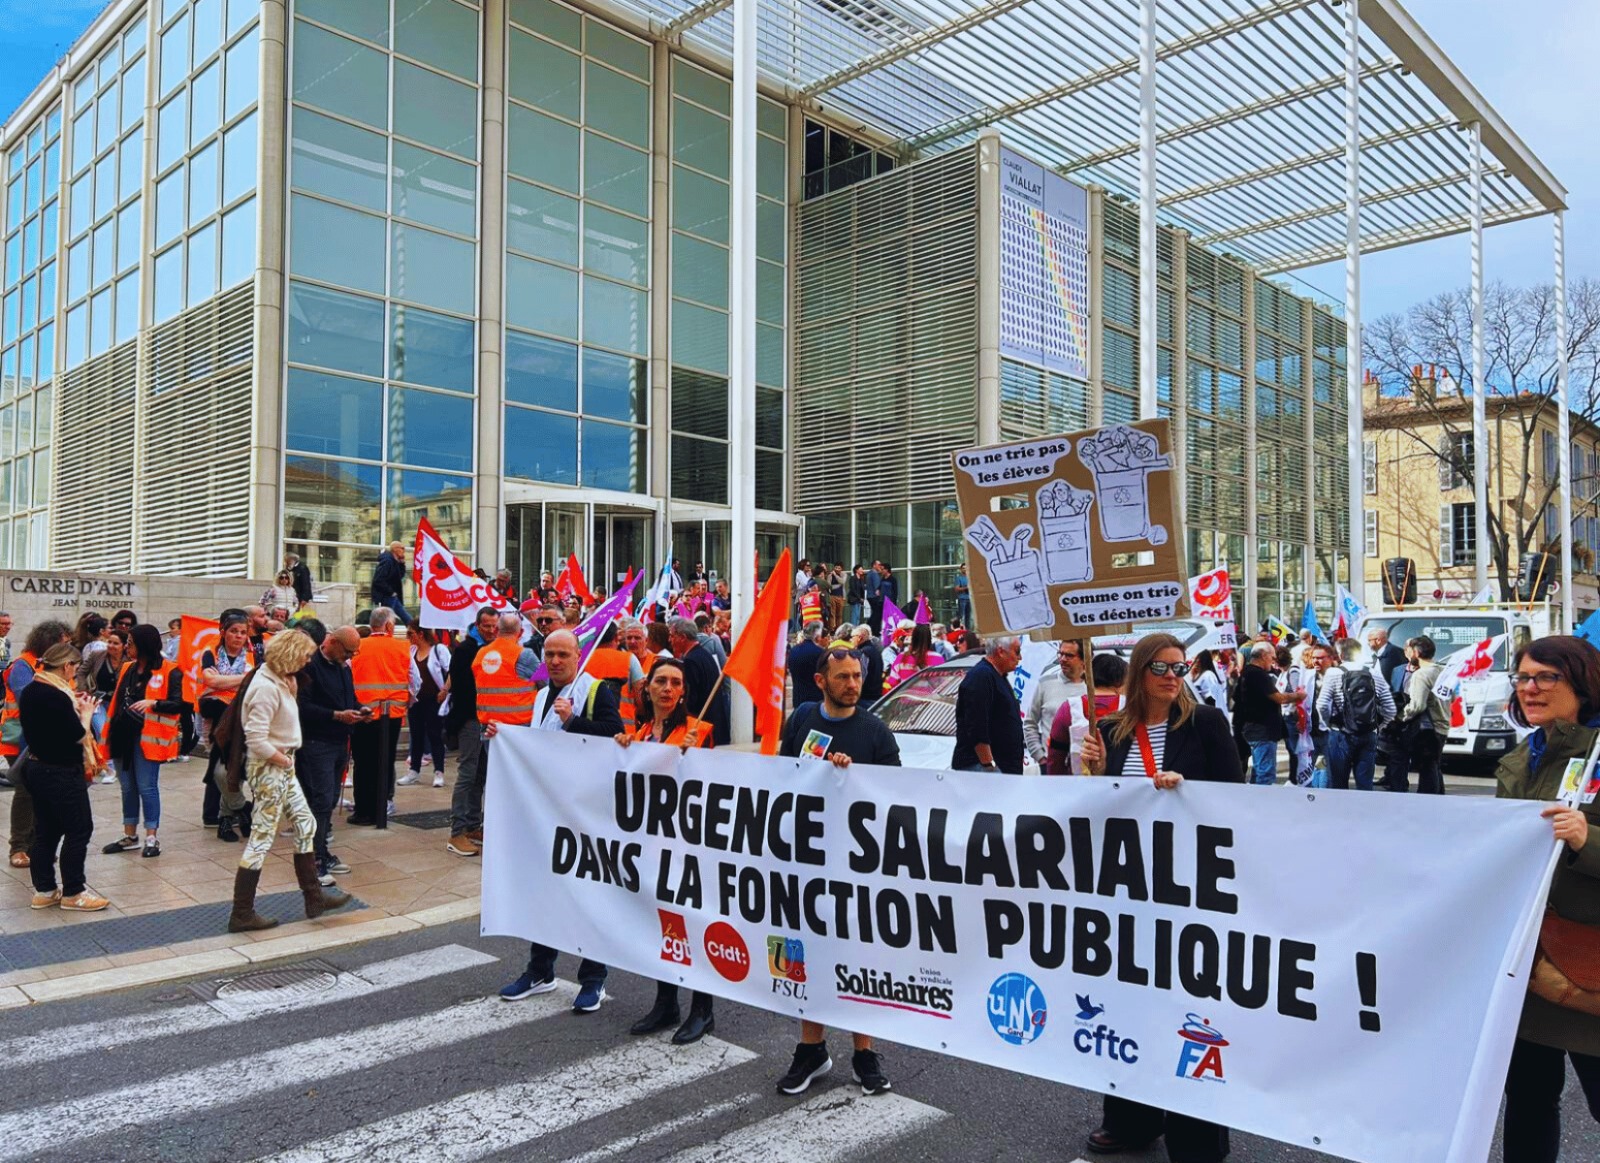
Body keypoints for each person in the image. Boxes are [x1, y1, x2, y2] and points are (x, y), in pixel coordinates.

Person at [1079, 632, 1240, 1163]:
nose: (1173, 677)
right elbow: (1095, 811)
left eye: (1180, 668)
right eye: (1162, 668)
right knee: (1128, 1008)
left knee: (1189, 1015)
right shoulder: (1111, 730)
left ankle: (1197, 1141)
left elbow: (1239, 800)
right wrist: (1093, 774)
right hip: (1126, 893)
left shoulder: (1206, 723)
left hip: (1189, 892)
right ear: (1139, 674)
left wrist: (1187, 789)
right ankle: (1129, 1120)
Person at [1492, 634, 1600, 1161]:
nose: (1530, 688)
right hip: (1528, 963)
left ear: (1581, 684)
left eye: (1545, 677)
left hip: (1589, 965)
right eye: (1523, 677)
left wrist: (1586, 838)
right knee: (1530, 1099)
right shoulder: (1520, 758)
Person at [775, 645, 899, 1096]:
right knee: (808, 957)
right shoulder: (803, 719)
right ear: (822, 681)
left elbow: (895, 796)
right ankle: (812, 1050)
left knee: (857, 960)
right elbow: (783, 775)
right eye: (843, 677)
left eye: (856, 676)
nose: (853, 685)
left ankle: (864, 1053)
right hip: (806, 862)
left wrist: (853, 778)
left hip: (857, 870)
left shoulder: (875, 732)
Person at [496, 629, 623, 1012]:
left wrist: (574, 722)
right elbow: (540, 742)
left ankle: (594, 979)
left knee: (587, 894)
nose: (553, 661)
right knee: (545, 893)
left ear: (577, 655)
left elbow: (614, 734)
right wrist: (503, 736)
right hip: (549, 810)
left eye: (561, 654)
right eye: (549, 654)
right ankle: (541, 971)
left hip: (587, 812)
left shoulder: (596, 690)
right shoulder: (540, 697)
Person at [616, 656, 717, 1043]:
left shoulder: (699, 730)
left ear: (683, 691)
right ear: (648, 687)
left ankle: (703, 1009)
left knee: (691, 924)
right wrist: (623, 748)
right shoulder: (641, 732)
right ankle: (666, 1002)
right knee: (662, 925)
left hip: (689, 848)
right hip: (653, 847)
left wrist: (696, 755)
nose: (669, 689)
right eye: (661, 681)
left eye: (676, 682)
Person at [229, 629, 352, 932]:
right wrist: (282, 759)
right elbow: (255, 739)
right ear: (291, 655)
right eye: (305, 655)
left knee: (306, 823)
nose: (309, 660)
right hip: (271, 767)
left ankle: (314, 897)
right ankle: (242, 913)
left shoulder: (282, 679)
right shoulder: (266, 687)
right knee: (261, 838)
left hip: (282, 765)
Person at [19, 643, 108, 912]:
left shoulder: (33, 689)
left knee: (46, 831)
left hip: (37, 768)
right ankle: (74, 892)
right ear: (66, 666)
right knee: (79, 829)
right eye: (74, 666)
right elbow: (76, 735)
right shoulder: (56, 696)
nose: (75, 673)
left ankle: (44, 891)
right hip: (61, 771)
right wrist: (87, 714)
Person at [100, 624, 188, 858]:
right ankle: (130, 835)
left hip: (149, 738)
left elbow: (180, 704)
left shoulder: (170, 670)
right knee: (127, 787)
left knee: (147, 787)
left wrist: (154, 704)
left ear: (144, 645)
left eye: (130, 643)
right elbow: (118, 701)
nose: (127, 647)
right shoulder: (127, 669)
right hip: (122, 734)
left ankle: (152, 836)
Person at [296, 624, 361, 885]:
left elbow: (349, 698)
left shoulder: (343, 668)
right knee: (321, 799)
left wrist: (359, 710)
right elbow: (303, 706)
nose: (350, 657)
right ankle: (314, 860)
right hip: (316, 742)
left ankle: (321, 851)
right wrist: (336, 715)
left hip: (339, 741)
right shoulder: (309, 665)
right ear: (332, 642)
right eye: (348, 651)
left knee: (330, 798)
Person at [5, 620, 73, 868]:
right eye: (63, 643)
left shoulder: (52, 666)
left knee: (40, 792)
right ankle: (19, 847)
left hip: (45, 737)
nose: (67, 647)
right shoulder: (23, 665)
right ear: (49, 642)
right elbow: (29, 699)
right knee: (25, 792)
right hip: (22, 738)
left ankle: (35, 844)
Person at [347, 608, 415, 826]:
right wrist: (408, 701)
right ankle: (381, 808)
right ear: (388, 626)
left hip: (361, 714)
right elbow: (416, 681)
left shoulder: (357, 647)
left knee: (363, 762)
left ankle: (362, 810)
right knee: (384, 761)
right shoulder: (403, 648)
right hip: (392, 715)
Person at [199, 612, 256, 841]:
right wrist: (244, 678)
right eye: (234, 631)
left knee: (234, 769)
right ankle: (242, 808)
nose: (239, 636)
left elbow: (255, 679)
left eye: (243, 632)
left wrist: (224, 680)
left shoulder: (253, 654)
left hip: (243, 719)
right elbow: (210, 681)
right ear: (223, 631)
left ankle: (225, 819)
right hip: (214, 721)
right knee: (221, 771)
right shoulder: (210, 652)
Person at [1316, 637, 1397, 791]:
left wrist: (1328, 724)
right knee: (1364, 784)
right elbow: (1390, 708)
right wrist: (1378, 726)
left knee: (1338, 783)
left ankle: (1340, 813)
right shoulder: (1374, 673)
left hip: (1340, 733)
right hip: (1368, 734)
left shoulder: (1333, 673)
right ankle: (1364, 813)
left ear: (1340, 655)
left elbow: (1322, 705)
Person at [952, 636, 1026, 774]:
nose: (1020, 657)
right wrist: (989, 764)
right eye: (1017, 651)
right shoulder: (982, 676)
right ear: (1001, 651)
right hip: (982, 768)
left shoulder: (998, 676)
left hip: (1003, 768)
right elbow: (976, 726)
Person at [1234, 642, 1304, 786]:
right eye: (1272, 658)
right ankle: (1261, 805)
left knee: (1259, 772)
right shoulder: (1257, 674)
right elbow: (1278, 698)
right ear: (1263, 656)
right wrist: (1297, 696)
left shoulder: (1248, 672)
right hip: (1262, 731)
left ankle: (1254, 801)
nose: (1273, 662)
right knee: (1265, 774)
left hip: (1256, 729)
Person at [1392, 635, 1448, 795]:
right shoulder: (1442, 670)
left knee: (1428, 769)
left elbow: (1417, 705)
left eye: (1409, 651)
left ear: (1416, 652)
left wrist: (1399, 717)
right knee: (1435, 767)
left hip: (1427, 728)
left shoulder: (1421, 674)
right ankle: (1438, 800)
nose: (1407, 655)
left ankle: (1428, 802)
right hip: (1443, 724)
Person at [1023, 641, 1088, 768]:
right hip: (1051, 766)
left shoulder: (1093, 687)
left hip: (1085, 768)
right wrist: (1040, 757)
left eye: (1069, 655)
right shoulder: (1045, 683)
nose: (1062, 659)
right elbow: (1030, 723)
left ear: (1084, 660)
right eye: (1060, 654)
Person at [400, 625, 450, 787]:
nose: (408, 637)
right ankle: (414, 770)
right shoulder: (412, 651)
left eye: (410, 633)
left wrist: (444, 690)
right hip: (416, 700)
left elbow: (451, 671)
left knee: (435, 735)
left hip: (434, 699)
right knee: (416, 734)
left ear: (421, 634)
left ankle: (439, 771)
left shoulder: (438, 650)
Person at [669, 618, 729, 745]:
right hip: (715, 724)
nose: (670, 640)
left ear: (682, 637)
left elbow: (691, 700)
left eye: (672, 636)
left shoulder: (691, 661)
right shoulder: (703, 655)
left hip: (703, 730)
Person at [584, 622, 644, 728]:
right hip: (624, 734)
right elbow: (641, 699)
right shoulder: (629, 659)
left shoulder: (583, 661)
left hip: (590, 730)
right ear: (617, 637)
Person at [886, 622, 939, 689]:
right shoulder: (938, 658)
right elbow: (942, 683)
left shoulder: (902, 657)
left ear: (913, 638)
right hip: (930, 698)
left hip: (907, 698)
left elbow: (892, 682)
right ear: (930, 639)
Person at [371, 541, 412, 627]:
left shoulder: (394, 561)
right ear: (395, 549)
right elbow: (378, 579)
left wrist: (402, 563)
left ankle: (415, 630)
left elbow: (399, 576)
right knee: (387, 619)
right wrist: (391, 592)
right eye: (402, 548)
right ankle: (384, 635)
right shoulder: (387, 561)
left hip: (391, 595)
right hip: (387, 595)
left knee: (403, 616)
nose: (404, 550)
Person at [788, 622, 826, 707]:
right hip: (816, 699)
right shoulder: (820, 653)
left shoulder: (794, 651)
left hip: (798, 698)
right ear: (818, 637)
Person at [850, 622, 887, 704]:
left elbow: (862, 675)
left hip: (865, 698)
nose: (851, 640)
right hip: (876, 696)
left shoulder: (864, 652)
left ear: (859, 638)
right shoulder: (876, 651)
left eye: (852, 637)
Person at [1188, 649, 1229, 723]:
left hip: (1211, 717)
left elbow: (1211, 699)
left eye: (1197, 662)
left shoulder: (1207, 676)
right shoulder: (1200, 675)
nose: (1195, 664)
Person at [953, 562, 971, 630]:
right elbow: (956, 589)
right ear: (961, 569)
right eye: (963, 568)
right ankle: (958, 629)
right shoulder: (959, 578)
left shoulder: (970, 577)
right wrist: (966, 588)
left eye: (966, 568)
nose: (965, 569)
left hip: (969, 599)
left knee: (968, 616)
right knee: (961, 616)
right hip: (962, 599)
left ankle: (968, 631)